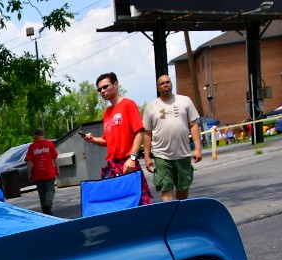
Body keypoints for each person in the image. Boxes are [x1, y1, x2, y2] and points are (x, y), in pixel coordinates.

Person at [81, 71, 152, 205]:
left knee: (137, 203)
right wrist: (92, 139)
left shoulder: (128, 105)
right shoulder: (107, 113)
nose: (102, 91)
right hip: (113, 166)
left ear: (116, 84)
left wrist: (132, 158)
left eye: (105, 86)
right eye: (99, 89)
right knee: (116, 204)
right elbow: (108, 141)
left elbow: (139, 133)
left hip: (128, 164)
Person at [142, 75, 203, 202]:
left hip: (183, 153)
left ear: (171, 84)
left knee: (183, 187)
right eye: (162, 83)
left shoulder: (185, 101)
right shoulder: (151, 107)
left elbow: (193, 125)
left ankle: (180, 214)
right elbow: (147, 133)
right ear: (158, 87)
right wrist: (147, 157)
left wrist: (198, 149)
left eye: (168, 82)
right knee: (166, 186)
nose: (165, 85)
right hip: (161, 155)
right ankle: (171, 216)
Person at [25, 127, 59, 214]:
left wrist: (29, 174)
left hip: (38, 174)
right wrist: (57, 168)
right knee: (50, 189)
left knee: (42, 193)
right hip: (49, 172)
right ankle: (48, 205)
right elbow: (55, 158)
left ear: (35, 135)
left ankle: (45, 211)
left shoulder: (32, 147)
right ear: (42, 135)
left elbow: (29, 162)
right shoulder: (49, 144)